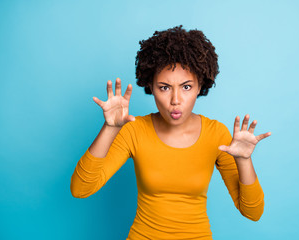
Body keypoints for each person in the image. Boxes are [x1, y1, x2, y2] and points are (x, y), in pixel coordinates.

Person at [70, 25, 271, 239]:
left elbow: (253, 212)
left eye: (186, 87)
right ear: (151, 86)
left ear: (200, 85)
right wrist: (110, 128)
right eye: (164, 87)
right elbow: (81, 189)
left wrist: (244, 161)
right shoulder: (135, 130)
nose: (176, 100)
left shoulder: (216, 135)